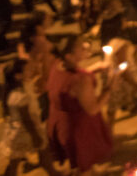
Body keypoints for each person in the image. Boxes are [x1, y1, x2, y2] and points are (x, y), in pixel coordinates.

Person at [47, 35, 115, 176]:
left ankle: (92, 170)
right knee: (83, 162)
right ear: (69, 56)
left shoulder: (57, 65)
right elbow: (93, 109)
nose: (85, 47)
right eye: (80, 46)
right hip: (78, 128)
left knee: (84, 161)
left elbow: (68, 83)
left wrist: (92, 69)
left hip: (61, 122)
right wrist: (109, 88)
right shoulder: (81, 80)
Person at [0, 57, 63, 176]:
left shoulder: (16, 89)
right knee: (17, 159)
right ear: (18, 76)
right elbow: (26, 119)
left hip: (19, 131)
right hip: (25, 132)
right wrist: (35, 136)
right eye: (27, 70)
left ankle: (52, 171)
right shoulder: (20, 96)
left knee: (40, 152)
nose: (30, 71)